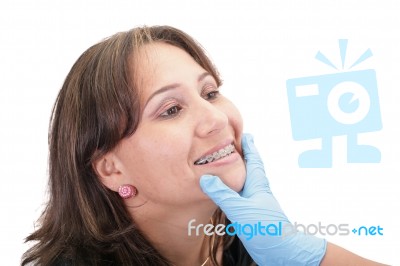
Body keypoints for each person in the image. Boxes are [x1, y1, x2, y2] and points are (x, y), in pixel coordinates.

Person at [22, 25, 387, 265]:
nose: (216, 118)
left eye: (210, 92)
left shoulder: (250, 243)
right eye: (171, 110)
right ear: (111, 168)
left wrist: (310, 258)